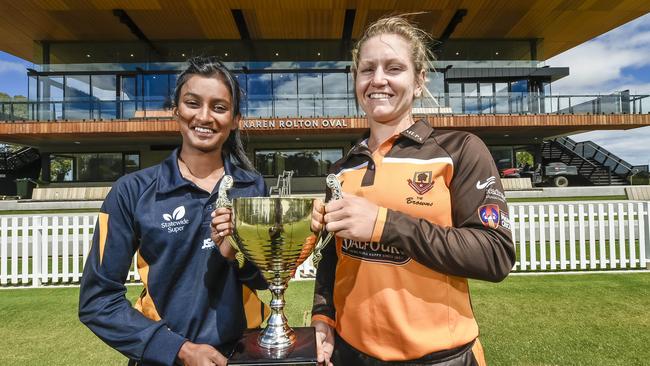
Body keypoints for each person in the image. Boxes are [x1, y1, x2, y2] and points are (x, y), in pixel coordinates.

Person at [310, 16, 515, 366]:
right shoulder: (342, 169)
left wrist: (386, 224)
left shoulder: (460, 149)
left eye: (394, 68)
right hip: (350, 354)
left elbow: (494, 255)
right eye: (367, 69)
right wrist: (323, 316)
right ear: (355, 79)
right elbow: (332, 259)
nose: (378, 80)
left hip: (441, 358)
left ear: (419, 80)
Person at [79, 56, 268, 366]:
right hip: (163, 360)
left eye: (219, 107)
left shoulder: (252, 187)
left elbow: (263, 280)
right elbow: (97, 301)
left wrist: (238, 250)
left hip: (241, 355)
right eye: (193, 103)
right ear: (176, 111)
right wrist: (179, 349)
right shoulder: (131, 191)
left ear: (235, 119)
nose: (205, 117)